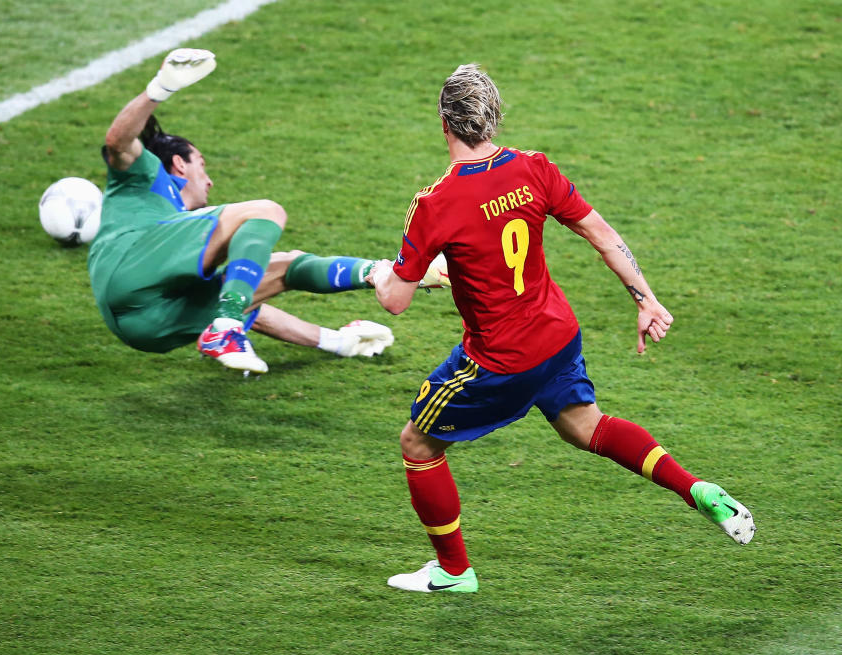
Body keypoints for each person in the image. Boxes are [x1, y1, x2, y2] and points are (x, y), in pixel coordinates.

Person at [367, 64, 756, 593]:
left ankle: (454, 573)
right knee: (585, 426)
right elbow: (600, 232)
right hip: (557, 336)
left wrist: (378, 272)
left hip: (500, 360)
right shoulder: (534, 168)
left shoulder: (434, 203)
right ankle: (696, 488)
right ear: (493, 119)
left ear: (444, 124)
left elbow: (394, 300)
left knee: (417, 443)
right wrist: (645, 299)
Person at [87, 48, 406, 374]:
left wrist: (337, 340)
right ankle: (225, 328)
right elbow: (118, 142)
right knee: (265, 211)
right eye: (201, 165)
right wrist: (160, 89)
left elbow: (251, 305)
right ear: (180, 164)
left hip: (148, 327)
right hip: (130, 268)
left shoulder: (185, 249)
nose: (209, 180)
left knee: (284, 268)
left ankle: (380, 272)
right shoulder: (146, 175)